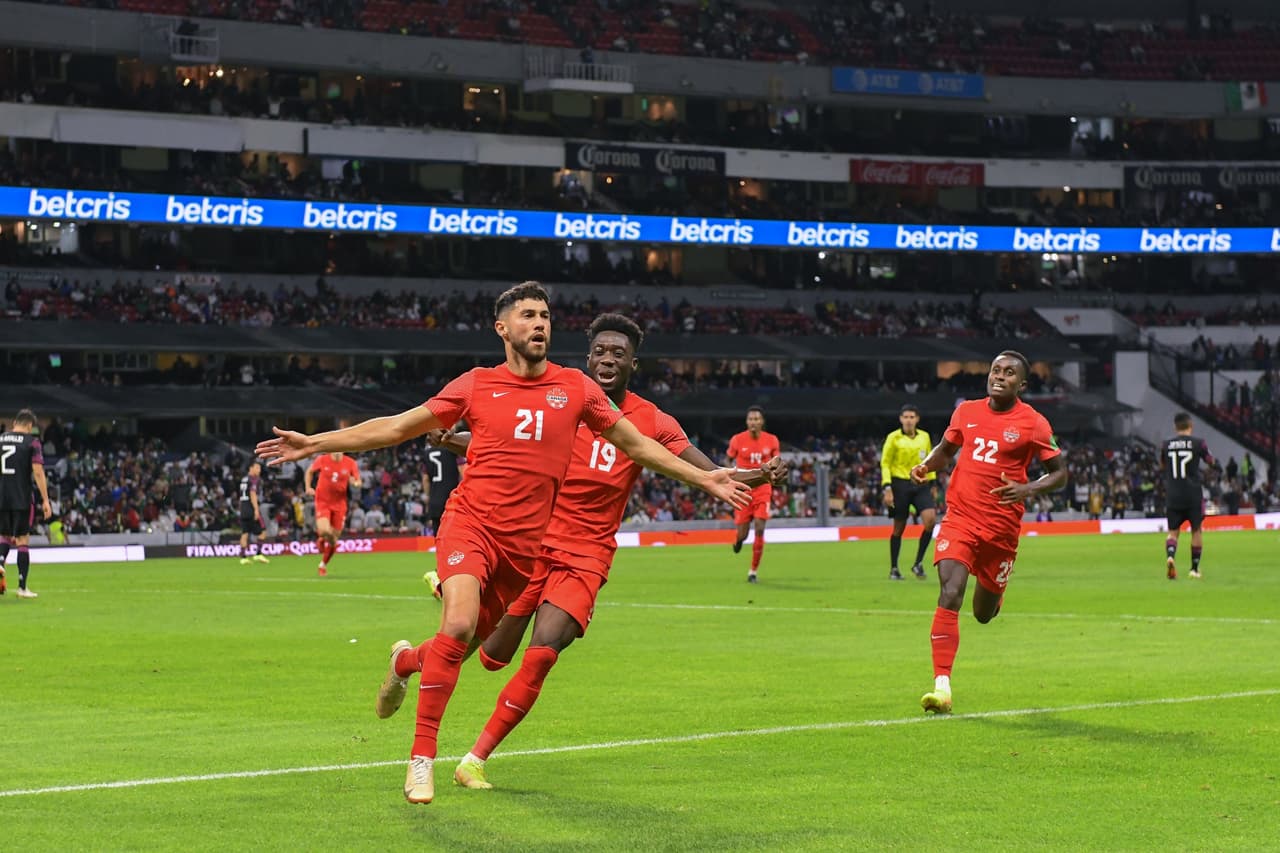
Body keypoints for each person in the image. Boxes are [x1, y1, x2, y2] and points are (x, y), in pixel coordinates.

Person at [254, 282, 749, 806]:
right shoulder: (476, 385)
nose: (540, 324)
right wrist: (317, 442)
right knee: (460, 622)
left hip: (525, 549)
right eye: (529, 315)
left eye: (546, 316)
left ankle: (404, 663)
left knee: (471, 651)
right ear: (503, 328)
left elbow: (638, 446)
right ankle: (422, 760)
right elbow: (398, 427)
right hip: (470, 524)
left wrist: (709, 478)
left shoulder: (575, 389)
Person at [422, 313, 787, 790]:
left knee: (543, 654)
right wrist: (453, 440)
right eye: (600, 352)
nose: (607, 359)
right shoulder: (563, 399)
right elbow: (503, 437)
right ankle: (408, 661)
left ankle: (474, 759)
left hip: (586, 556)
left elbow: (708, 469)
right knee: (490, 654)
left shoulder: (653, 421)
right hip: (533, 546)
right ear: (589, 357)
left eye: (618, 353)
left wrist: (759, 476)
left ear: (634, 362)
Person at [909, 351, 1067, 714]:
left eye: (1009, 373)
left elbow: (1060, 473)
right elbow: (946, 450)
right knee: (950, 592)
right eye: (996, 370)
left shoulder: (1034, 423)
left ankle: (995, 593)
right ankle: (942, 687)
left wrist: (1027, 489)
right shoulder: (966, 411)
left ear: (1022, 384)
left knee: (983, 613)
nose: (999, 376)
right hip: (960, 519)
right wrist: (926, 466)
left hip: (1001, 530)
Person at [880, 403, 937, 581]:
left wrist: (933, 483)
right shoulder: (893, 438)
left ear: (917, 419)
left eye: (912, 417)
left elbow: (930, 460)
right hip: (899, 484)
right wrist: (887, 488)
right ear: (901, 419)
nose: (909, 420)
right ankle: (894, 568)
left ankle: (918, 563)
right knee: (899, 528)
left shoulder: (925, 437)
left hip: (920, 484)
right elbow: (885, 463)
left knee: (930, 520)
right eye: (906, 417)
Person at [0, 409, 53, 598]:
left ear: (15, 422)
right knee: (22, 540)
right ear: (30, 426)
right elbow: (38, 472)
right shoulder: (32, 442)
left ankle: (0, 563)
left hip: (1, 497)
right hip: (21, 497)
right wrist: (46, 500)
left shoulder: (0, 439)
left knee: (4, 537)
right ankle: (22, 587)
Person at [726, 406, 781, 582]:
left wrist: (773, 470)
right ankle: (739, 540)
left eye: (757, 419)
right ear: (747, 422)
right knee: (743, 533)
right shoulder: (737, 440)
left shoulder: (772, 440)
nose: (753, 422)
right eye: (751, 419)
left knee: (759, 527)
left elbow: (777, 460)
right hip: (743, 488)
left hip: (763, 489)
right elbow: (728, 459)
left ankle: (753, 571)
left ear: (762, 422)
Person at [1161, 411, 1214, 580]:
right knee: (1196, 530)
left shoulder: (1166, 444)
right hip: (1193, 494)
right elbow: (1210, 460)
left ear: (1175, 427)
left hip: (1173, 493)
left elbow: (1163, 463)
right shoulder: (1199, 443)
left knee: (1173, 532)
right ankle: (1194, 569)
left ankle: (1170, 556)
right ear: (1191, 426)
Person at [306, 451, 361, 576]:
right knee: (325, 530)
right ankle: (322, 537)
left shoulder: (350, 463)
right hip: (323, 501)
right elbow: (309, 472)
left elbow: (358, 481)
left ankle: (322, 565)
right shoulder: (322, 459)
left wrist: (355, 483)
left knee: (333, 541)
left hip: (340, 504)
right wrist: (308, 487)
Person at [422, 437, 462, 536]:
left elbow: (425, 479)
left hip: (435, 500)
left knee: (438, 534)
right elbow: (463, 472)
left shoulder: (426, 454)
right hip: (452, 498)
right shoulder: (453, 450)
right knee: (454, 533)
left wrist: (427, 495)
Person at [237, 460, 270, 565]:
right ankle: (258, 554)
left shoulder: (244, 479)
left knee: (244, 533)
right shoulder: (253, 480)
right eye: (257, 468)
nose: (259, 470)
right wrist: (256, 510)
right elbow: (253, 494)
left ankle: (243, 557)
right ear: (251, 468)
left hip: (243, 509)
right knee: (263, 531)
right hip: (251, 508)